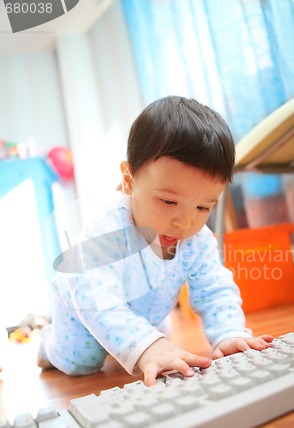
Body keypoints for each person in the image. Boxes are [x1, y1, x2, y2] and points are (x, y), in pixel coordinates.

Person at [38, 96, 273, 386]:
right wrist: (146, 345)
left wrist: (229, 333)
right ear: (129, 180)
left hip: (145, 311)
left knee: (159, 341)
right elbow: (96, 299)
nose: (185, 222)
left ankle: (134, 339)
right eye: (168, 201)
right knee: (79, 362)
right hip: (80, 306)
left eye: (203, 207)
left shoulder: (196, 239)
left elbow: (216, 290)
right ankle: (47, 345)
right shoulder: (107, 230)